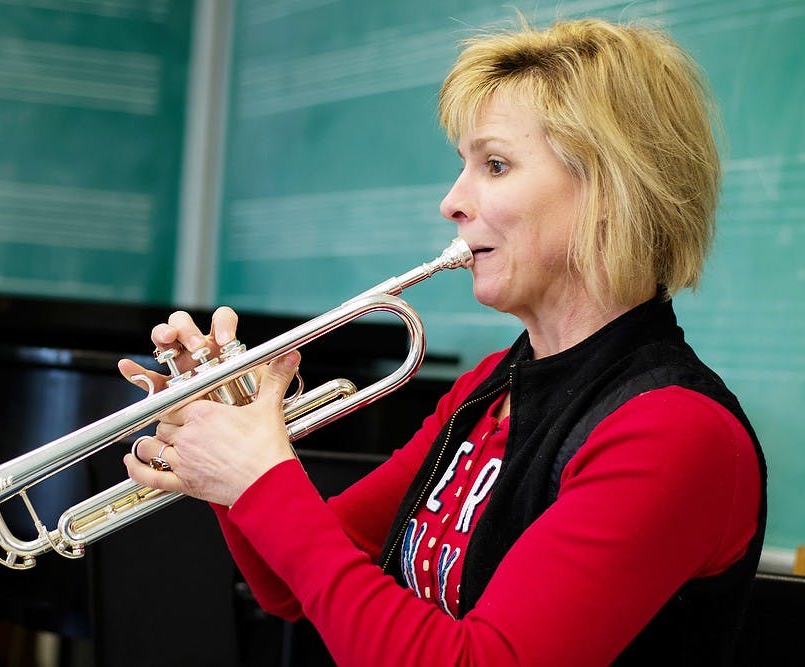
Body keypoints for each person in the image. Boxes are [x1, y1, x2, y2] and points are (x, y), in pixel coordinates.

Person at [119, 17, 766, 666]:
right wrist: (229, 453)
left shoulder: (677, 431)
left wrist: (261, 477)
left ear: (608, 188)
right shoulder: (490, 384)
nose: (452, 201)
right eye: (465, 166)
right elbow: (295, 581)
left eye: (495, 163)